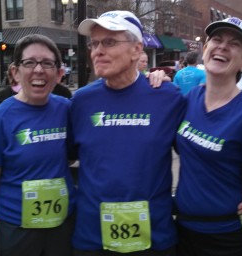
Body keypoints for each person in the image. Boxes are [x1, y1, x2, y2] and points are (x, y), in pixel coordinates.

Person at [70, 10, 186, 255]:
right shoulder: (81, 101)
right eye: (95, 43)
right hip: (92, 238)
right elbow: (60, 157)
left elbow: (197, 155)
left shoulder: (168, 97)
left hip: (154, 237)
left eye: (109, 42)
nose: (97, 51)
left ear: (137, 50)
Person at [174, 17, 242, 256]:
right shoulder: (188, 100)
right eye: (216, 40)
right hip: (183, 230)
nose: (222, 46)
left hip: (227, 236)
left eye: (234, 44)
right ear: (205, 49)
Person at [0, 34, 76, 256]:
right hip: (17, 230)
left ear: (58, 73)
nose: (39, 70)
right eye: (30, 62)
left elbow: (72, 154)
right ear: (15, 71)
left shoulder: (66, 109)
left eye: (47, 63)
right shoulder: (1, 117)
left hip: (61, 226)